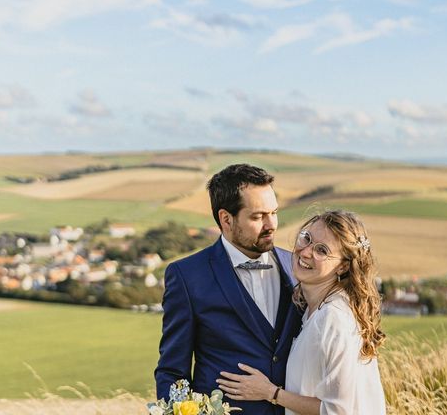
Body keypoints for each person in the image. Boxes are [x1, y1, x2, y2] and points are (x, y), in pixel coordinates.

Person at [154, 163, 302, 415]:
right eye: (257, 217)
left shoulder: (297, 266)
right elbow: (172, 371)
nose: (271, 225)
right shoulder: (188, 276)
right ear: (226, 219)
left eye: (274, 213)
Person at [217, 210, 387, 415]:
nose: (305, 252)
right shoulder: (314, 308)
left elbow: (338, 410)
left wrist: (270, 392)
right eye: (306, 238)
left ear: (343, 266)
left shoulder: (333, 318)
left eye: (322, 250)